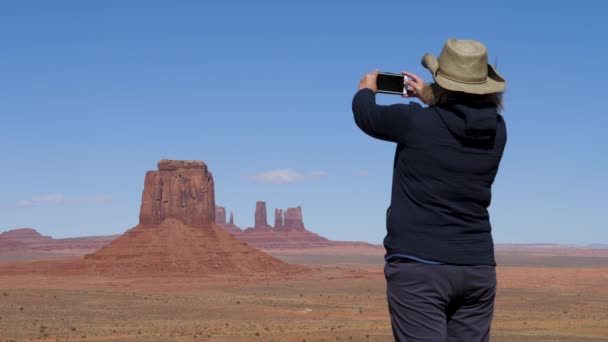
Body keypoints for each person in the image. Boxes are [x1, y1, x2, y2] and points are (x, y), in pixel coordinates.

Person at [352, 39, 507, 342]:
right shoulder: (497, 130)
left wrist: (366, 89)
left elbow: (367, 116)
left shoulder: (413, 122)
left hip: (420, 269)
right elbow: (458, 122)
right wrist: (430, 97)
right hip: (477, 268)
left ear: (443, 82)